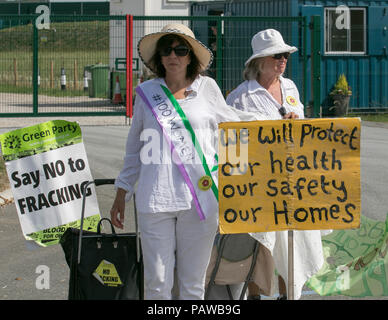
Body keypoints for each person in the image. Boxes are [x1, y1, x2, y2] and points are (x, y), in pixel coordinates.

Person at [110, 23, 262, 300]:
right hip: (155, 199)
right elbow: (134, 148)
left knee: (193, 284)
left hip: (200, 201)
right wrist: (122, 191)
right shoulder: (146, 93)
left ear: (191, 56)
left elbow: (235, 123)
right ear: (159, 57)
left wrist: (279, 125)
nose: (173, 56)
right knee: (157, 283)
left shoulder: (208, 88)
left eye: (181, 50)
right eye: (166, 50)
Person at [226, 28, 331, 300]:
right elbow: (233, 144)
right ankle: (254, 297)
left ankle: (288, 296)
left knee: (291, 244)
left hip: (292, 179)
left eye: (285, 55)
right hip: (259, 183)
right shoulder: (240, 96)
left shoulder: (290, 87)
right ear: (259, 61)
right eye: (276, 55)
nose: (282, 60)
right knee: (260, 246)